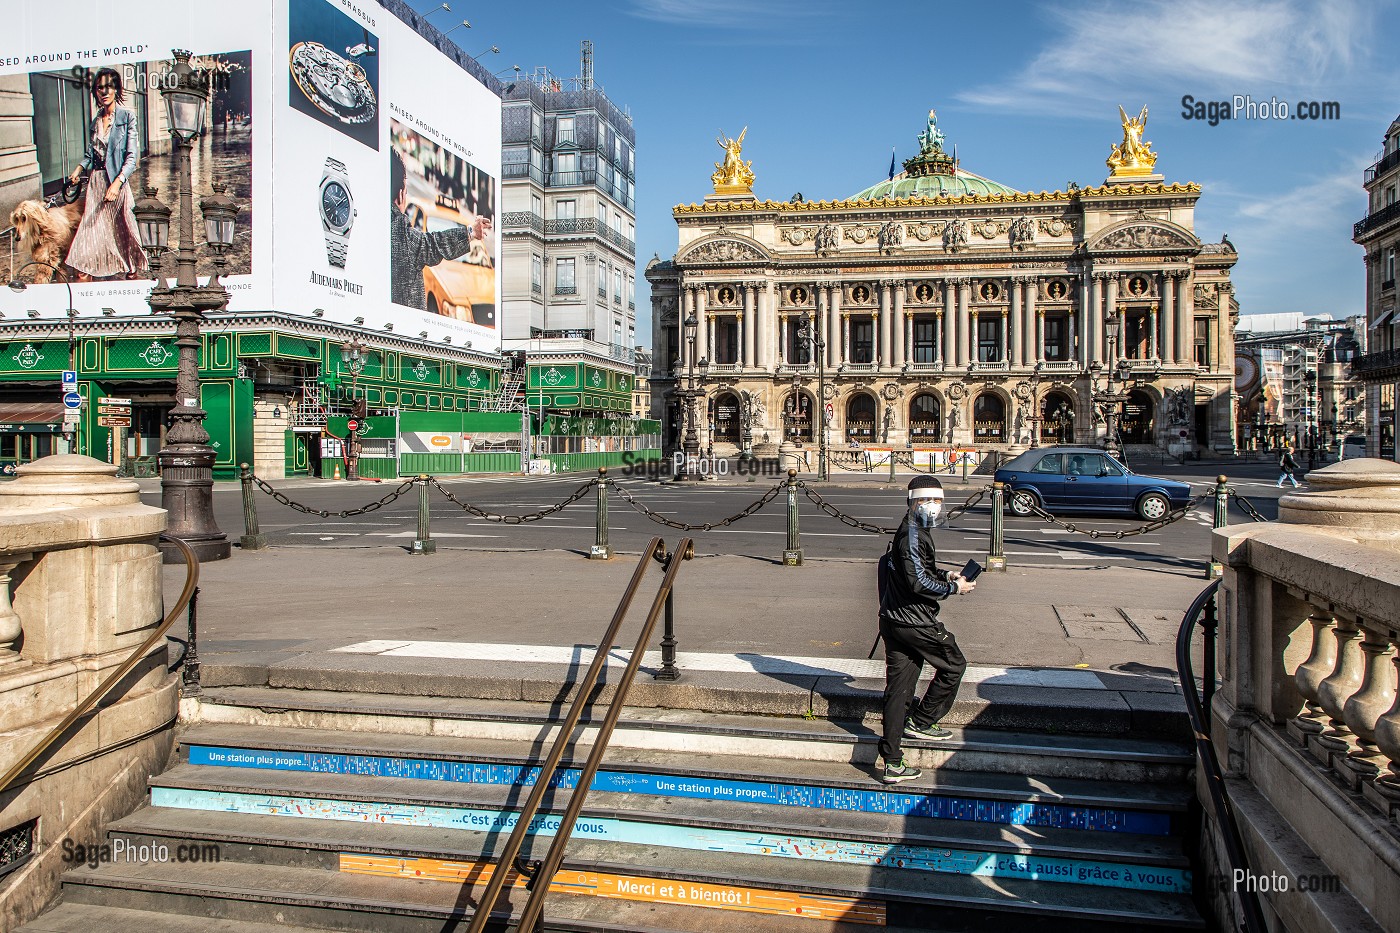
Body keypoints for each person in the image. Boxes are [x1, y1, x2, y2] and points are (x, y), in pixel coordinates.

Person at [876, 476, 975, 784]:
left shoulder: (912, 531)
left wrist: (946, 572)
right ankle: (922, 720)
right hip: (915, 622)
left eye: (940, 502)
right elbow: (919, 583)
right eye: (931, 502)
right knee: (954, 663)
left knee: (899, 691)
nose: (937, 507)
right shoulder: (913, 535)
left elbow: (917, 570)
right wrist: (954, 587)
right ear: (916, 502)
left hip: (894, 619)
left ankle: (892, 761)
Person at [65, 67, 147, 281]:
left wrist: (117, 184)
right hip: (96, 186)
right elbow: (90, 154)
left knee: (124, 234)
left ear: (116, 89)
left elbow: (131, 158)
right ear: (95, 92)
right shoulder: (95, 122)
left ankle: (131, 280)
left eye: (109, 86)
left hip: (116, 184)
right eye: (100, 87)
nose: (104, 91)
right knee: (88, 236)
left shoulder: (127, 117)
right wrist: (79, 168)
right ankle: (87, 280)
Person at [389, 149, 490, 310]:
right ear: (401, 195)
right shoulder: (400, 232)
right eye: (406, 192)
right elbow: (433, 243)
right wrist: (471, 231)